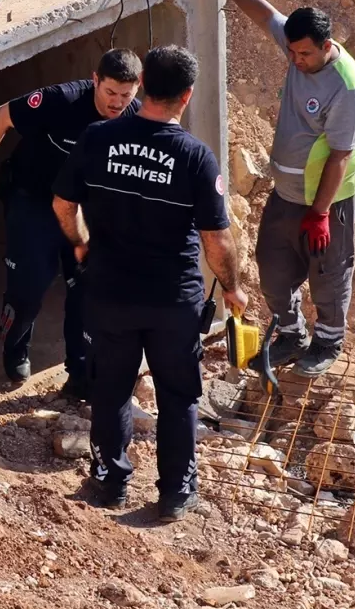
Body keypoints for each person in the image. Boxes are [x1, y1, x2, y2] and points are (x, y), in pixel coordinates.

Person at [53, 45, 248, 519]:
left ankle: (108, 482)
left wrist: (81, 244)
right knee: (178, 394)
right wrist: (231, 288)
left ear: (142, 85)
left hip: (110, 292)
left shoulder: (98, 138)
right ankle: (176, 493)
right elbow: (217, 240)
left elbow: (63, 205)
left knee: (111, 388)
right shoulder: (195, 157)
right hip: (172, 301)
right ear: (187, 95)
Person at [203, 0, 355, 377]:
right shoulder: (298, 46)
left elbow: (339, 156)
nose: (296, 61)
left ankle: (327, 343)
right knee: (274, 268)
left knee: (328, 276)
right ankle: (291, 335)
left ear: (327, 45)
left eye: (304, 55)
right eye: (292, 53)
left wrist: (319, 214)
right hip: (286, 194)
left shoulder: (349, 88)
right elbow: (264, 15)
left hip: (327, 202)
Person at [0, 50, 143, 397]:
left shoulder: (135, 118)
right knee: (29, 284)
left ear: (137, 88)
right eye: (110, 93)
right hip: (35, 199)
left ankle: (80, 371)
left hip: (84, 210)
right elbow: (2, 116)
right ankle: (15, 344)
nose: (117, 103)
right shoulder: (62, 100)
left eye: (125, 96)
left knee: (86, 288)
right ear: (95, 80)